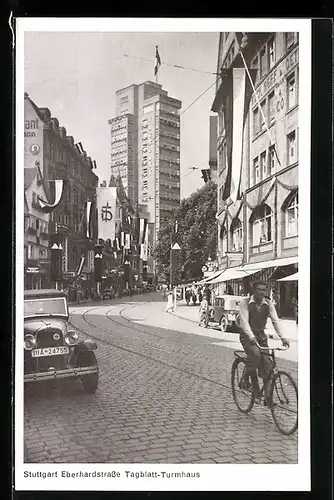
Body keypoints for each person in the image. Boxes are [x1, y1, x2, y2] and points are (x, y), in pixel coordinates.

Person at [238, 280, 290, 403]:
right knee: (255, 355)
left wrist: (283, 337)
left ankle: (268, 397)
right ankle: (244, 380)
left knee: (268, 365)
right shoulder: (245, 303)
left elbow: (275, 321)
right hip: (247, 335)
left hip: (261, 336)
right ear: (254, 290)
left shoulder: (268, 303)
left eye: (263, 290)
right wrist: (251, 336)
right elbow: (244, 322)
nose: (261, 292)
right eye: (259, 289)